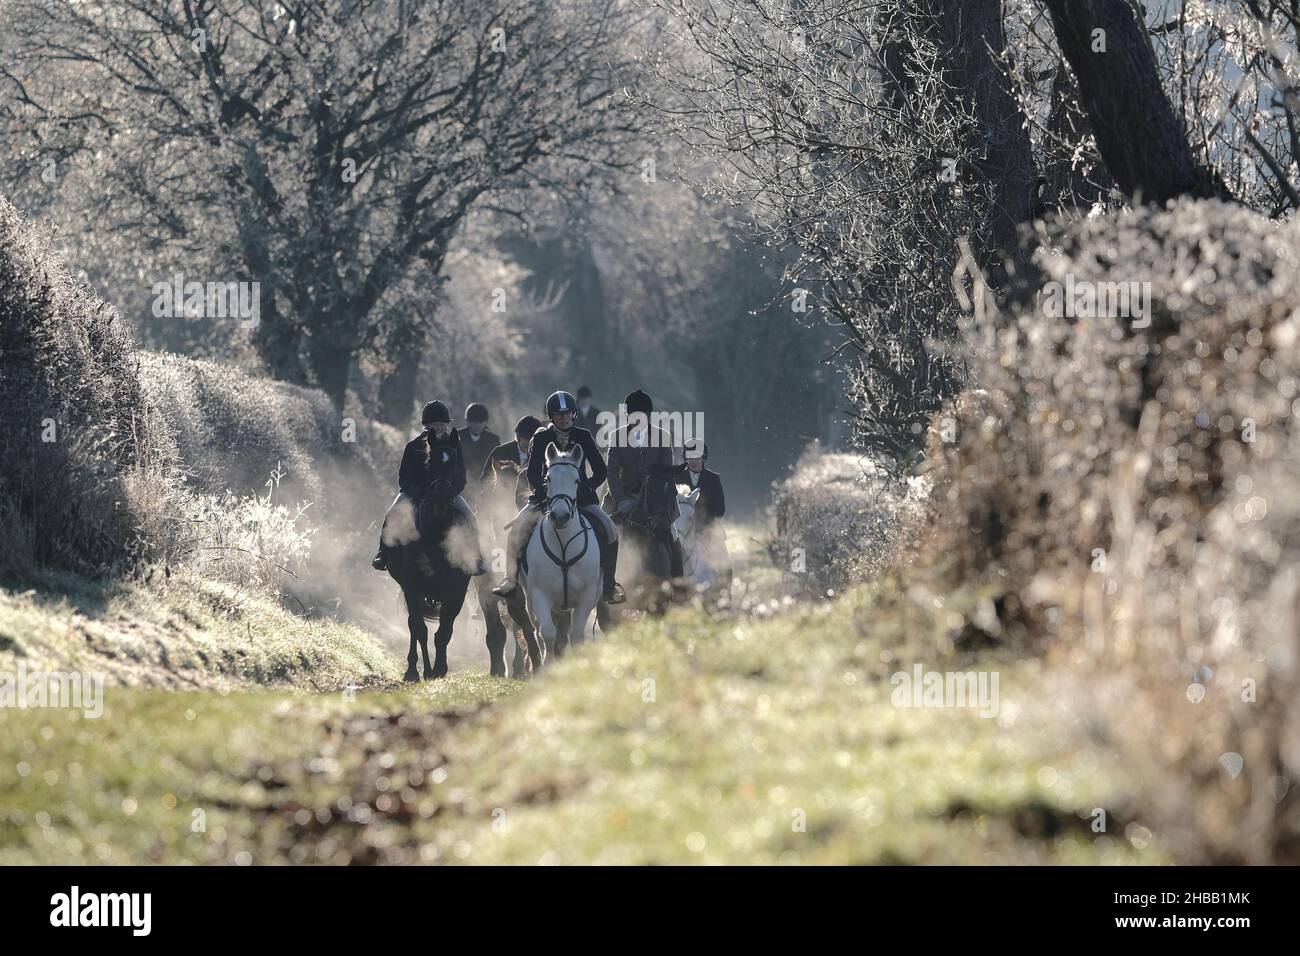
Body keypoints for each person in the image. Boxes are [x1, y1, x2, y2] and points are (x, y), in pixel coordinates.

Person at [491, 391, 625, 604]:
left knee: (610, 531)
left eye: (567, 413)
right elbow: (532, 473)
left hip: (581, 498)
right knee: (516, 531)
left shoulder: (584, 436)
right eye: (558, 414)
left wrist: (585, 487)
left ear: (574, 414)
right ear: (551, 416)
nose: (563, 417)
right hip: (546, 498)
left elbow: (600, 471)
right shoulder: (541, 437)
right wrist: (547, 492)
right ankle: (510, 580)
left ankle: (609, 586)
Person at [372, 400, 487, 575]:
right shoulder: (413, 446)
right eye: (434, 425)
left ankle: (477, 557)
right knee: (392, 513)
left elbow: (461, 477)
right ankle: (383, 553)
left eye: (441, 425)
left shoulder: (454, 445)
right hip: (416, 495)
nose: (439, 429)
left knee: (470, 517)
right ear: (426, 426)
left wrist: (450, 492)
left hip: (447, 494)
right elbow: (404, 479)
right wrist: (420, 492)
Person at [604, 388, 685, 577]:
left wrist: (660, 503)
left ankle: (678, 586)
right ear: (628, 415)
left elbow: (666, 473)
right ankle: (605, 584)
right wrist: (621, 499)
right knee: (602, 531)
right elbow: (612, 472)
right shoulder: (617, 436)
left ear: (649, 415)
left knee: (673, 535)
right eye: (634, 415)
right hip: (624, 496)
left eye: (642, 415)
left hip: (657, 500)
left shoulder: (663, 436)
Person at [480, 415, 542, 514]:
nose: (531, 443)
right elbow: (485, 478)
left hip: (532, 502)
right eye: (527, 438)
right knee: (473, 518)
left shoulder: (543, 455)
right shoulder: (500, 452)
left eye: (533, 439)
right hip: (500, 501)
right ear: (518, 437)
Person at [458, 403, 499, 502]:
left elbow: (498, 465)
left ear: (486, 422)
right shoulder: (457, 437)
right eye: (474, 422)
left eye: (481, 422)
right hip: (461, 485)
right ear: (467, 421)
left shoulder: (493, 440)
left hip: (487, 486)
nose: (477, 425)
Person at [682, 439, 725, 525]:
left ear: (703, 458)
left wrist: (702, 519)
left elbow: (720, 509)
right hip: (682, 526)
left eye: (697, 457)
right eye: (690, 457)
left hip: (707, 528)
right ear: (686, 458)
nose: (694, 461)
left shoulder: (713, 479)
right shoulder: (677, 477)